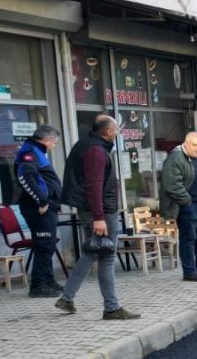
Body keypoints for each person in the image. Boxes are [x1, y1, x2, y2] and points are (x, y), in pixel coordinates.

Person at [55, 115, 140, 320]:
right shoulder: (95, 151)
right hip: (100, 211)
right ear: (108, 132)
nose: (117, 134)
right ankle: (110, 307)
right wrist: (99, 217)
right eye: (116, 130)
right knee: (104, 254)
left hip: (95, 209)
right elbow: (93, 188)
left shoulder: (87, 145)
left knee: (96, 251)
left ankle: (70, 298)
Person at [160, 132, 197, 283]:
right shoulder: (175, 158)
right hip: (188, 205)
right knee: (189, 238)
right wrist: (187, 201)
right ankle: (189, 271)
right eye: (194, 145)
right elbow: (172, 185)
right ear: (186, 143)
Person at [12, 124, 63, 297]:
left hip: (46, 207)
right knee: (43, 245)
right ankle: (38, 286)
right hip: (38, 208)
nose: (54, 146)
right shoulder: (30, 152)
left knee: (47, 246)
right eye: (54, 142)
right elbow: (24, 176)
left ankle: (48, 280)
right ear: (47, 140)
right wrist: (42, 201)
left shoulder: (37, 151)